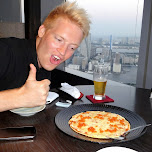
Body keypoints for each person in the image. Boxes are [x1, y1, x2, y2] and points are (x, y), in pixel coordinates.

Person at [0, 1, 90, 112]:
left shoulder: (43, 63)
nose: (62, 52)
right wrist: (19, 97)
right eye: (59, 40)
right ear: (42, 31)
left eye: (72, 47)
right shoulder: (6, 51)